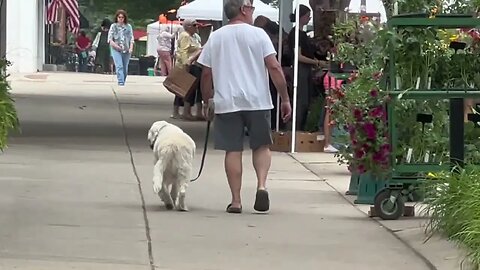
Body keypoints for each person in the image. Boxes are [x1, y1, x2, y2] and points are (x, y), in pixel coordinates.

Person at [197, 0, 292, 214]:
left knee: (232, 149)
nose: (252, 11)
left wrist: (206, 100)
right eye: (251, 7)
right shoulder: (259, 35)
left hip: (227, 102)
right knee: (261, 146)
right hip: (257, 100)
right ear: (243, 9)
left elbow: (206, 73)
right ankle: (261, 185)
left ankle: (236, 200)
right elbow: (274, 67)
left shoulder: (216, 37)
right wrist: (285, 98)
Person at [287, 4, 324, 131]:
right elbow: (298, 56)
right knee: (301, 101)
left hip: (305, 69)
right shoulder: (296, 34)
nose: (309, 18)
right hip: (300, 69)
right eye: (308, 16)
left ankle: (300, 127)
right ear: (301, 17)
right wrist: (316, 63)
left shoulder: (302, 34)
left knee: (306, 100)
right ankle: (296, 128)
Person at [173, 19, 203, 120]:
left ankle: (185, 112)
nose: (196, 27)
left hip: (194, 65)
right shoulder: (185, 36)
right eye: (194, 25)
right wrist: (186, 65)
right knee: (181, 89)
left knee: (187, 89)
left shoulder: (194, 37)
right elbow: (183, 51)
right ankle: (178, 112)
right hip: (186, 66)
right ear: (188, 26)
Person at [108, 9, 134, 86]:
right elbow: (110, 39)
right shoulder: (113, 26)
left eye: (122, 17)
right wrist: (117, 47)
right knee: (119, 66)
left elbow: (131, 38)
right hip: (116, 49)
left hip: (126, 49)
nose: (121, 19)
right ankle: (121, 82)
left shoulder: (128, 27)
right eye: (119, 17)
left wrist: (131, 48)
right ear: (116, 18)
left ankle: (123, 80)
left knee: (125, 68)